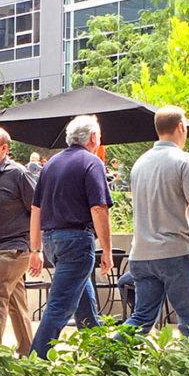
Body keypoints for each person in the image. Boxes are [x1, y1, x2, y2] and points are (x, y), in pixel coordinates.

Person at [28, 114, 114, 358]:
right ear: (93, 137)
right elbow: (98, 208)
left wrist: (35, 250)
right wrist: (106, 250)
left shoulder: (51, 164)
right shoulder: (92, 162)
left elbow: (36, 209)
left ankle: (101, 357)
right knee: (58, 308)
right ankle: (34, 366)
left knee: (84, 306)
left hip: (51, 243)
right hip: (77, 241)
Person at [123, 105, 189, 337]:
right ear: (181, 127)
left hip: (141, 254)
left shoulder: (140, 164)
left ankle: (108, 358)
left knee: (141, 318)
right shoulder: (183, 160)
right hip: (175, 253)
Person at [0, 127, 37, 356]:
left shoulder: (18, 174)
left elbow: (37, 209)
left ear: (4, 148)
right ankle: (29, 353)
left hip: (15, 247)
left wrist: (35, 248)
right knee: (15, 301)